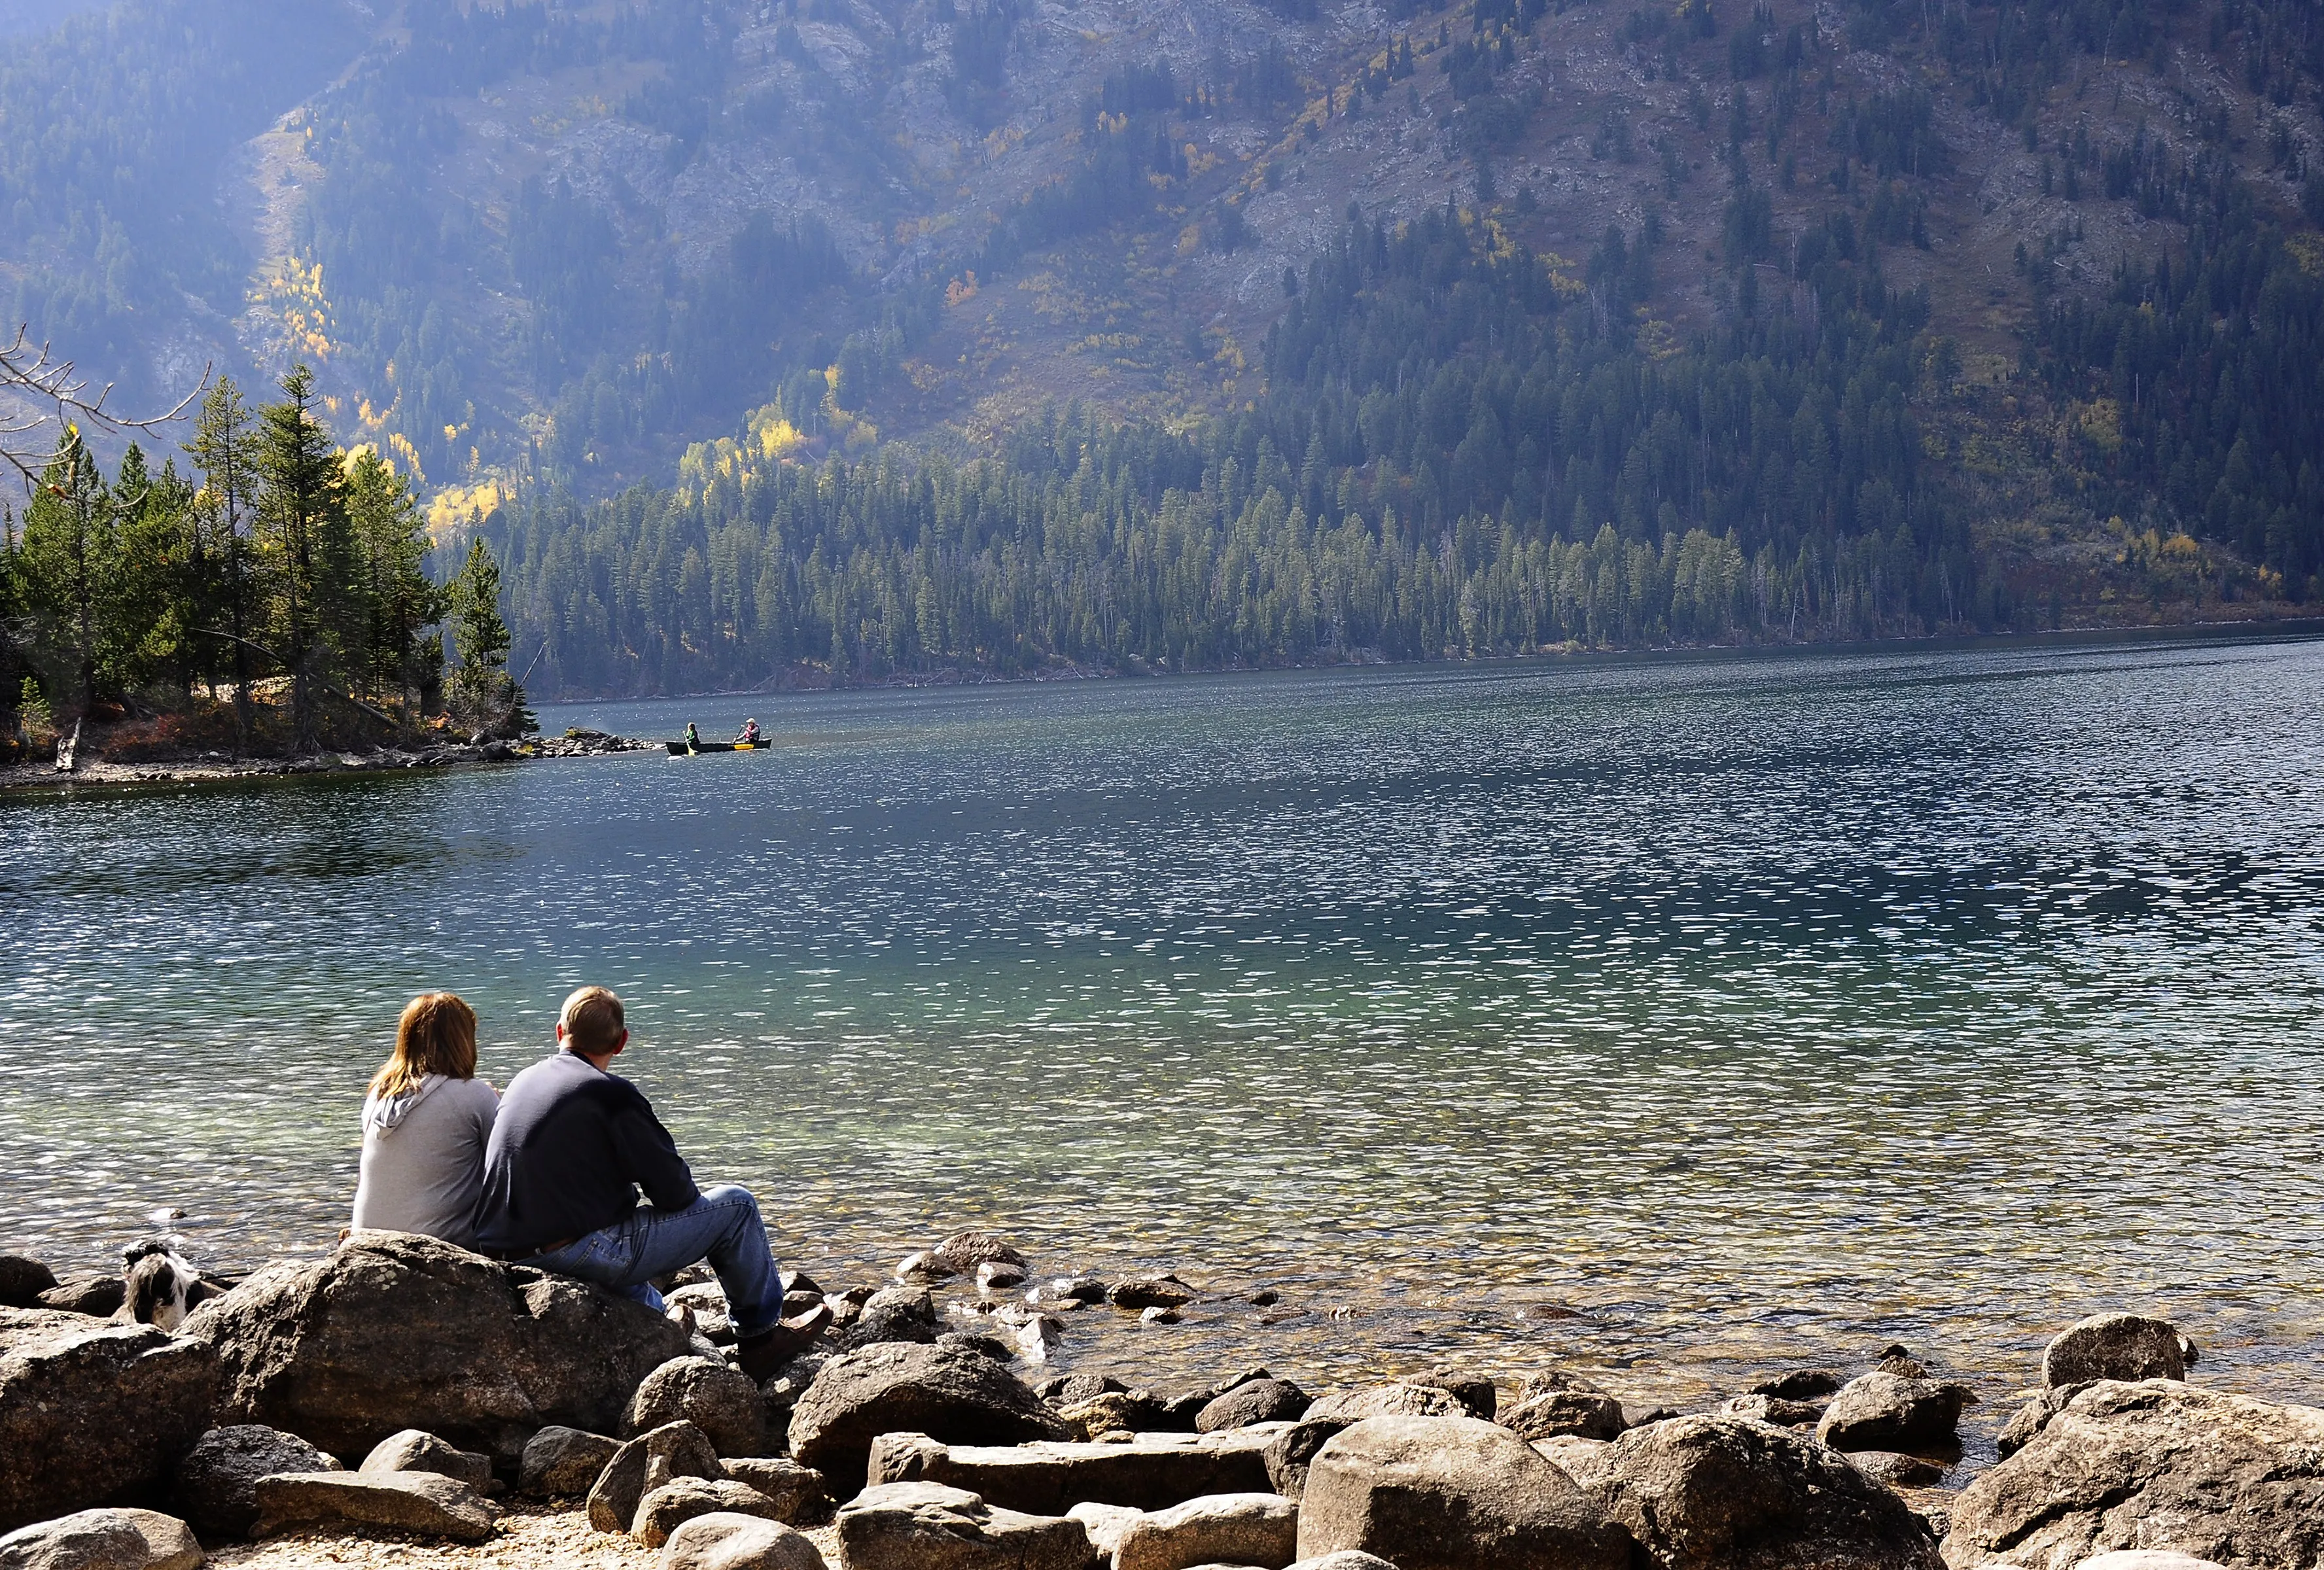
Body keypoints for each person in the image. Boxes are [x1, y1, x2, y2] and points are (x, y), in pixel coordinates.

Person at [470, 985, 826, 1376]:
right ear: (621, 1043)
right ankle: (760, 1338)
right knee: (736, 1206)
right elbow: (675, 1192)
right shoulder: (610, 1095)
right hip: (568, 1252)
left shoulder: (524, 1080)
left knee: (648, 1298)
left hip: (501, 1250)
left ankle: (669, 1335)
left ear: (559, 1032)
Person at [351, 993, 501, 1247]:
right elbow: (510, 1163)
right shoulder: (475, 1095)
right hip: (434, 1246)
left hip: (366, 1239)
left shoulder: (379, 1093)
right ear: (462, 1041)